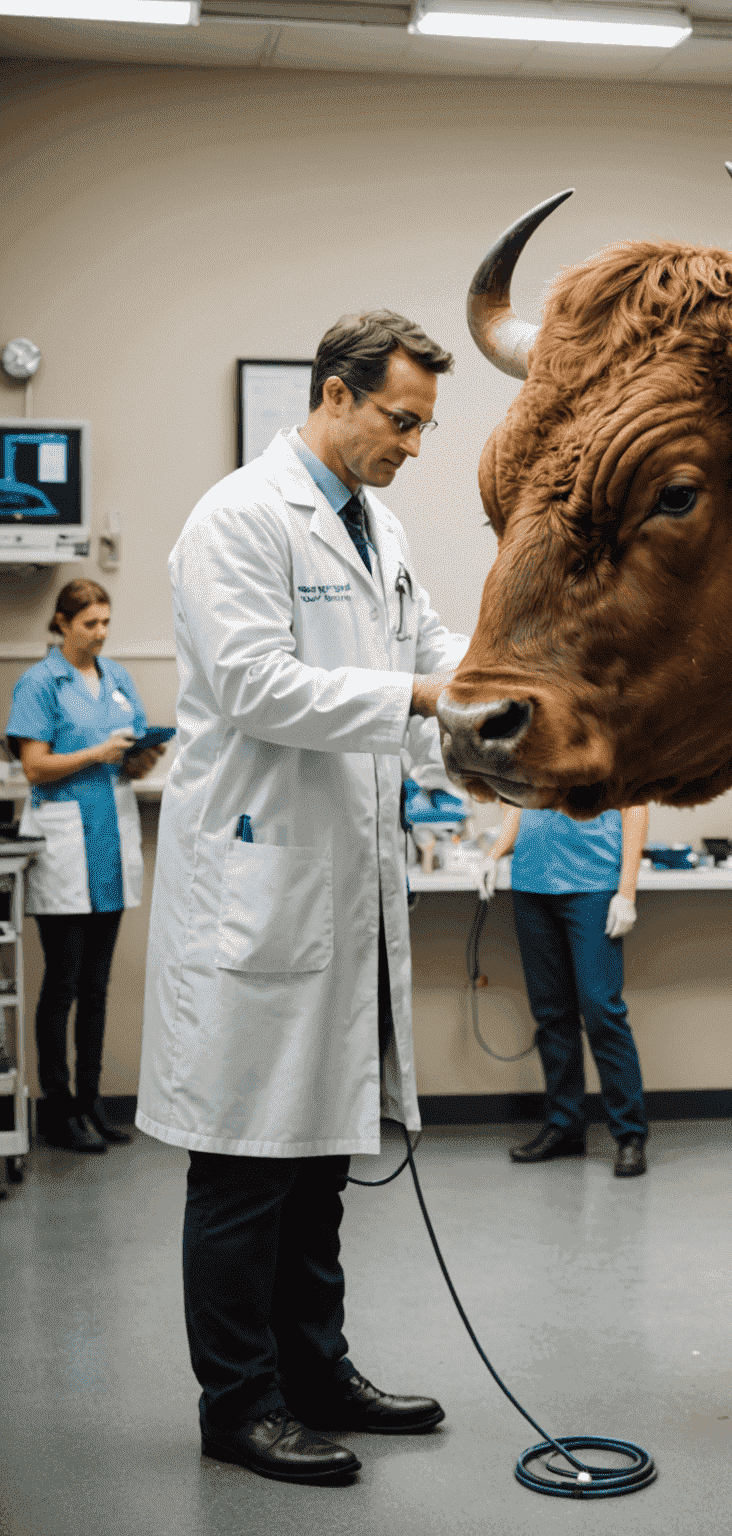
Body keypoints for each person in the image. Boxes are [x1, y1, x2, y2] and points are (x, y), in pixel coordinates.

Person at [134, 311, 467, 1486]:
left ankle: (316, 1371)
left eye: (425, 424)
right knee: (243, 1164)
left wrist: (518, 674)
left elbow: (432, 644)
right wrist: (425, 699)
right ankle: (240, 1405)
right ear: (335, 393)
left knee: (321, 1156)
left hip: (340, 890)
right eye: (401, 419)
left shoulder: (377, 523)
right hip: (258, 889)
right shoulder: (237, 518)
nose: (414, 445)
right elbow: (257, 685)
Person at [6, 579, 165, 1154]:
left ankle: (92, 1103)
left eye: (105, 623)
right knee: (64, 981)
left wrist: (142, 756)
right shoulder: (39, 683)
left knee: (97, 985)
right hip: (64, 843)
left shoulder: (118, 678)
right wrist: (97, 754)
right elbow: (35, 767)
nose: (100, 634)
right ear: (62, 623)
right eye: (89, 624)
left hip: (109, 836)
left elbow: (128, 767)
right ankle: (58, 1107)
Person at [481, 801, 651, 1177]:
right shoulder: (525, 744)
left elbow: (634, 809)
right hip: (532, 885)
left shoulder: (611, 740)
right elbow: (517, 807)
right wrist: (494, 853)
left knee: (601, 1011)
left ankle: (630, 1136)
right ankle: (565, 1126)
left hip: (592, 887)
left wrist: (627, 892)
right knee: (551, 1013)